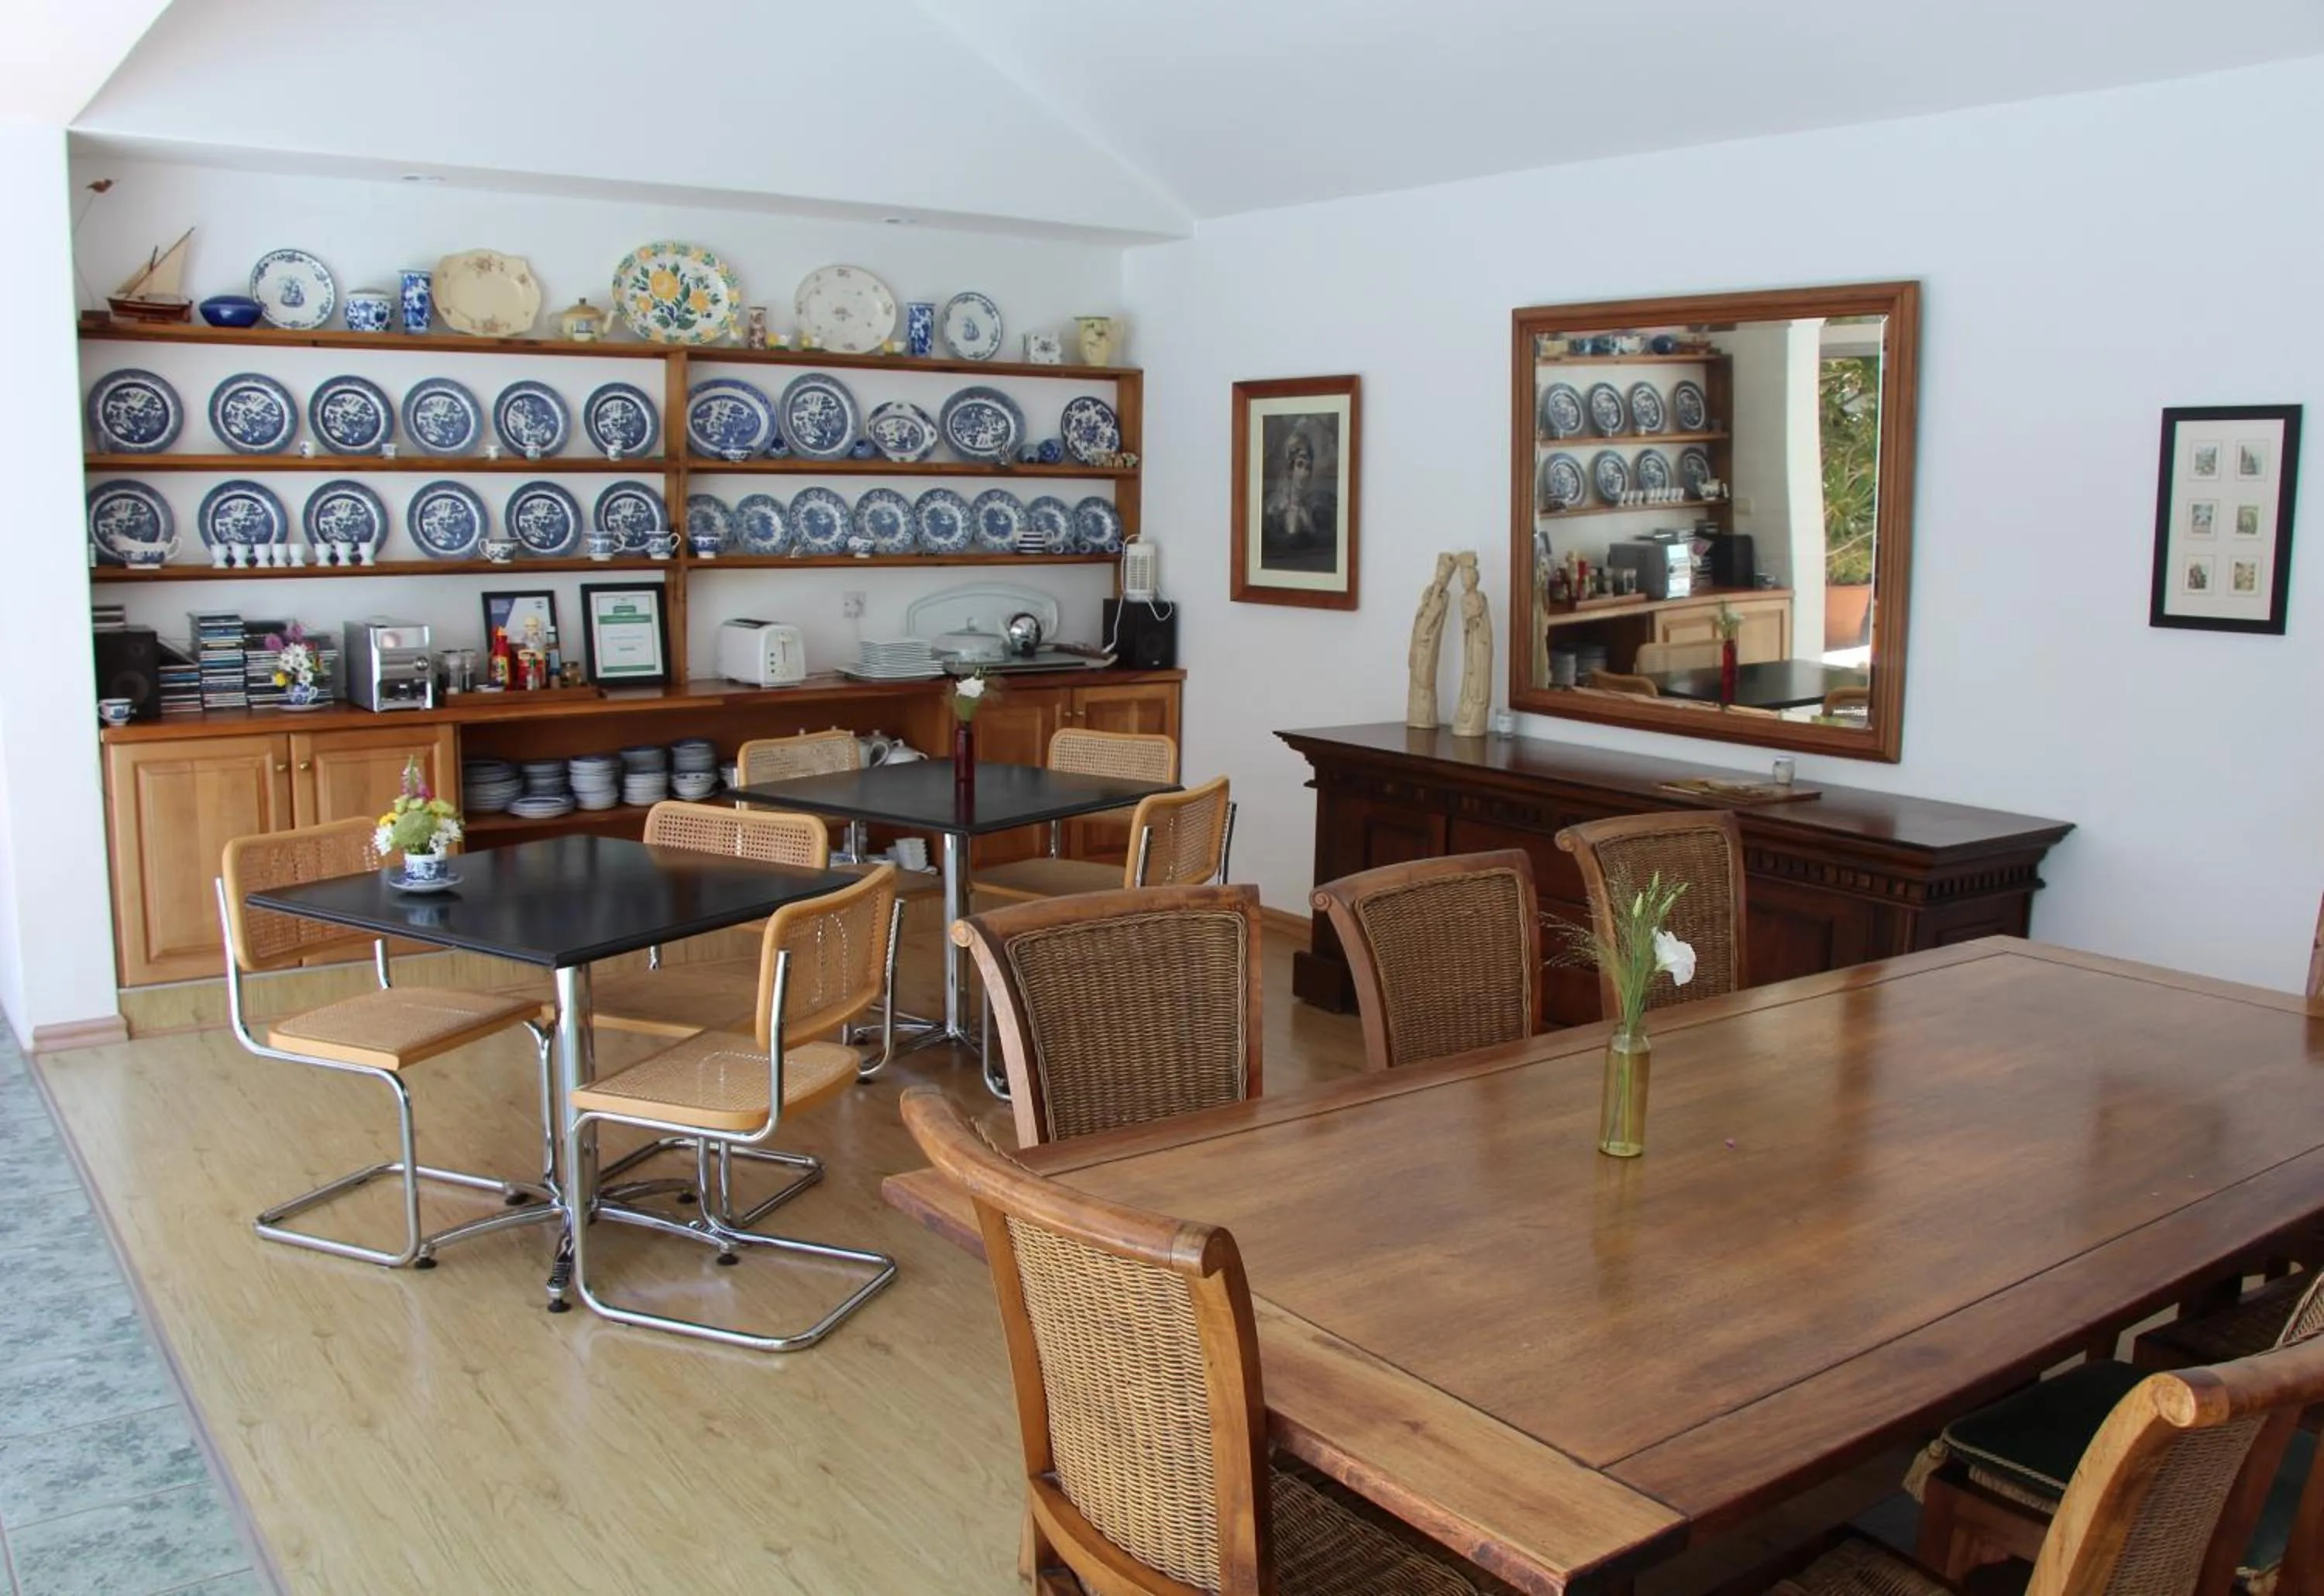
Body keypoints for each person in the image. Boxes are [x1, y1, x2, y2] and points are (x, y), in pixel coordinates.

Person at [1261, 419, 1337, 556]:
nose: (1305, 473)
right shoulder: (1274, 506)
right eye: (1300, 465)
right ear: (1290, 469)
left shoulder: (1314, 508)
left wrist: (1308, 524)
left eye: (1308, 468)